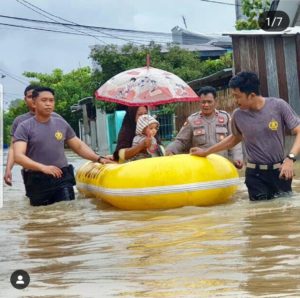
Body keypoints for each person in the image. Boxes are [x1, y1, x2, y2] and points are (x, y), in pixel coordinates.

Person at [190, 71, 300, 201]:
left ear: (251, 95)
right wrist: (206, 152)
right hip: (255, 175)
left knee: (285, 212)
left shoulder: (278, 106)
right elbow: (234, 138)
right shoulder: (238, 115)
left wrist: (290, 159)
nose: (235, 101)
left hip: (281, 171)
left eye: (237, 96)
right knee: (260, 213)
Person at [13, 87, 114, 206]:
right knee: (40, 218)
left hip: (62, 178)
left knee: (67, 211)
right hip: (37, 180)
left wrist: (99, 159)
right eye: (44, 100)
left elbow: (79, 147)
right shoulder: (24, 127)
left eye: (51, 100)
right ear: (34, 103)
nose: (48, 104)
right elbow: (18, 156)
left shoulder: (61, 123)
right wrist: (42, 168)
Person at [166, 86, 243, 169]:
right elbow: (181, 141)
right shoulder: (192, 120)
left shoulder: (225, 118)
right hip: (200, 168)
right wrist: (171, 149)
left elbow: (235, 139)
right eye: (203, 102)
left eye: (209, 102)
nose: (206, 105)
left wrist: (237, 158)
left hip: (222, 167)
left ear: (216, 102)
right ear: (199, 103)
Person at [4, 84, 61, 186]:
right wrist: (8, 169)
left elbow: (72, 142)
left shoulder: (56, 118)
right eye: (30, 97)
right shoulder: (19, 121)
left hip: (57, 171)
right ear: (25, 100)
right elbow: (13, 148)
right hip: (32, 173)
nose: (32, 99)